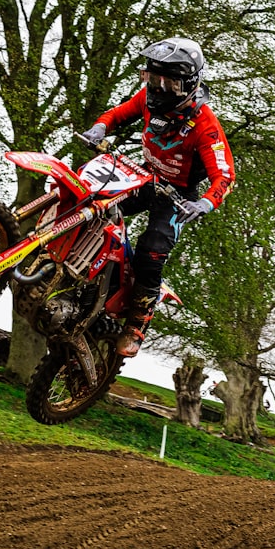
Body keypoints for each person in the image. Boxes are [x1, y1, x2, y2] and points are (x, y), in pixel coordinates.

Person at [80, 37, 235, 357]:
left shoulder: (205, 124)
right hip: (144, 177)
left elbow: (225, 175)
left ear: (189, 84)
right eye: (153, 78)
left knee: (151, 252)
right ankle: (85, 272)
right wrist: (100, 127)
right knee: (90, 204)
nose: (159, 88)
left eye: (169, 83)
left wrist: (205, 202)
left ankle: (137, 321)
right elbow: (117, 114)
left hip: (178, 195)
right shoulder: (147, 98)